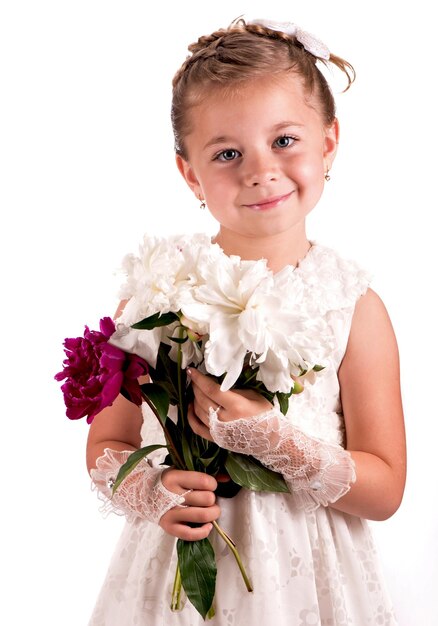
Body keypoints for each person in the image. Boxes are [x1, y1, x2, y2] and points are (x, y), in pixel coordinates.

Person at [86, 17, 406, 625]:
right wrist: (151, 494)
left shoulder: (352, 307)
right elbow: (107, 443)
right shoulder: (157, 296)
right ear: (190, 174)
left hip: (306, 579)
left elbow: (385, 489)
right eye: (228, 153)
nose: (260, 170)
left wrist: (280, 443)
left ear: (329, 141)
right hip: (175, 571)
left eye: (285, 140)